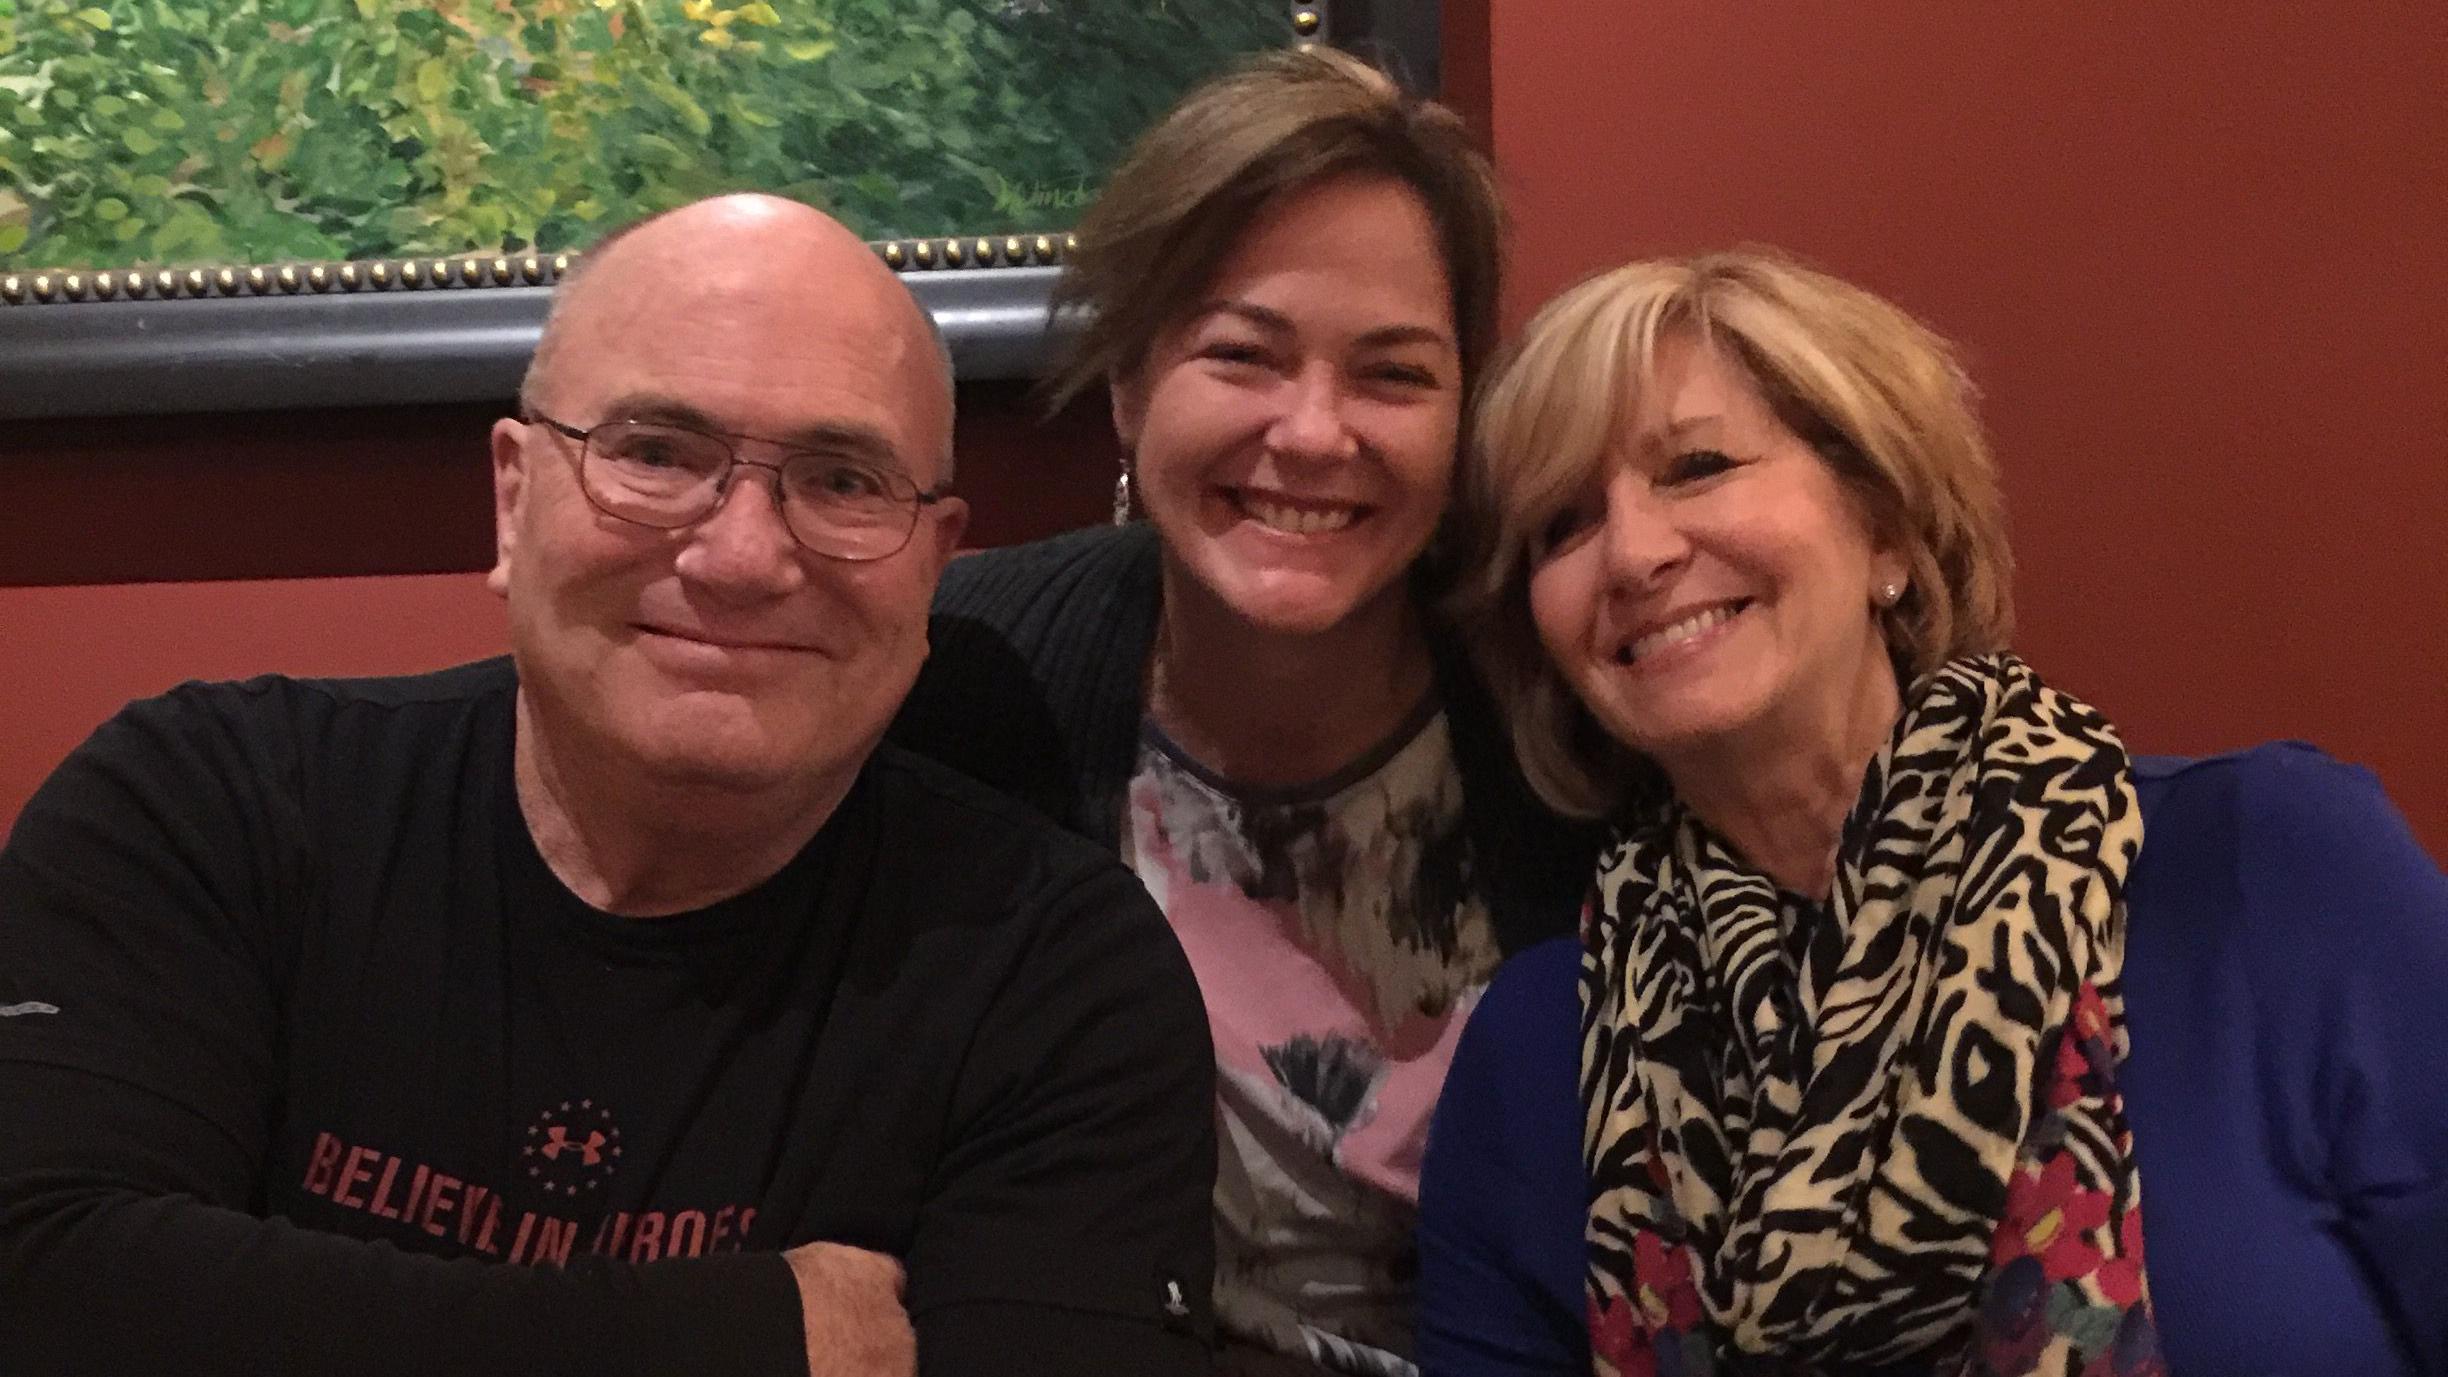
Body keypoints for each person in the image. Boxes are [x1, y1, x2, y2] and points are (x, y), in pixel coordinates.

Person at [0, 194, 1219, 1376]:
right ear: (514, 497)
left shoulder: (1061, 985)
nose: (742, 557)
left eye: (844, 481)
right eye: (653, 452)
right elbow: (38, 1288)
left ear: (934, 563)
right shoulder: (204, 808)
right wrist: (739, 1339)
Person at [1417, 250, 2448, 1376]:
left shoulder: (2270, 871)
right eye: (1562, 525)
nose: (1632, 551)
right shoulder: (1535, 1055)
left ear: (1889, 533)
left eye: (1697, 467)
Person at [890, 47, 1596, 1377]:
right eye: (1243, 354)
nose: (1315, 432)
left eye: (1392, 375)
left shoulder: (1570, 717)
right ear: (1130, 388)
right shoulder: (972, 687)